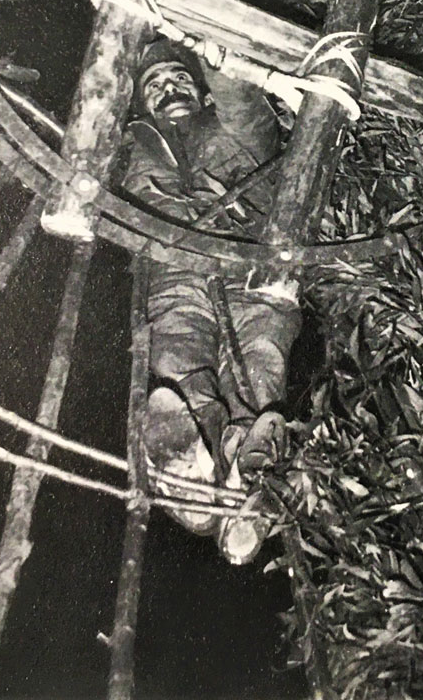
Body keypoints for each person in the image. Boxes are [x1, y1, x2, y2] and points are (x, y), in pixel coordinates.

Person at [119, 37, 300, 563]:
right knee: (176, 354)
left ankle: (247, 456)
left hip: (250, 257)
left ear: (200, 93)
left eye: (179, 78)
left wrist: (208, 48)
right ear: (142, 104)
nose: (168, 89)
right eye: (154, 86)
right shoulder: (134, 147)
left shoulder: (237, 126)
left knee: (259, 348)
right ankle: (196, 467)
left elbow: (239, 95)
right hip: (173, 268)